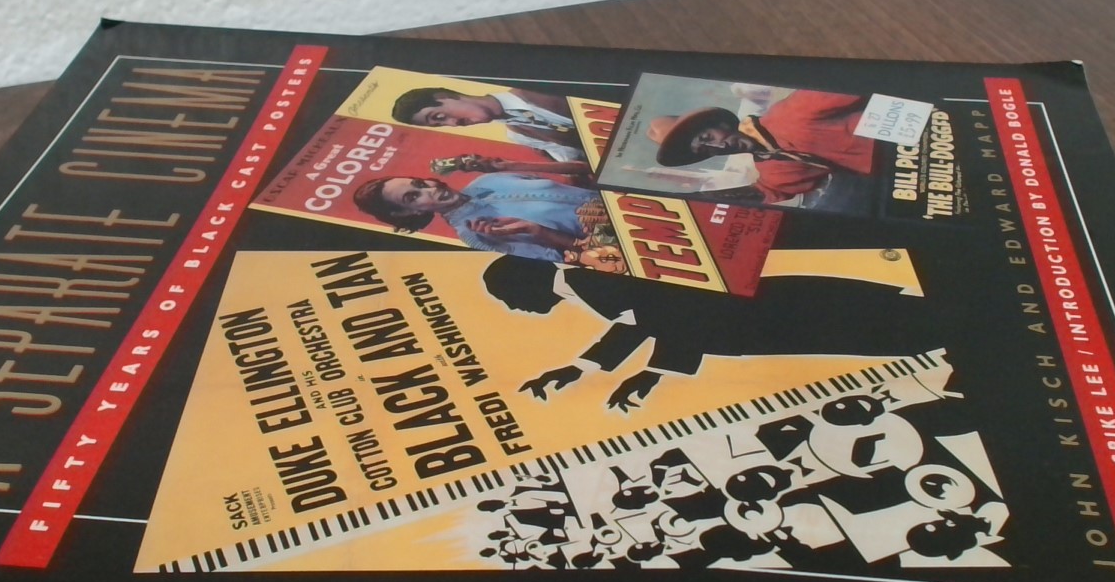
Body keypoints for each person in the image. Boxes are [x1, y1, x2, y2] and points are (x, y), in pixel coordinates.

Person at [481, 255, 941, 411]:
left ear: (526, 282)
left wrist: (654, 373)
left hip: (758, 316)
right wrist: (580, 369)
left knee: (883, 329)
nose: (514, 308)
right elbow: (640, 321)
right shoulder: (585, 283)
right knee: (878, 330)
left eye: (508, 298)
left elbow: (676, 312)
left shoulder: (588, 280)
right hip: (754, 318)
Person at [646, 88, 876, 206]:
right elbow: (767, 192)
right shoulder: (771, 166)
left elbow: (855, 83)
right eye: (706, 150)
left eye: (708, 136)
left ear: (720, 123)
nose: (719, 145)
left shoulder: (794, 112)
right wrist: (699, 200)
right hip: (890, 179)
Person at [352, 171, 599, 262]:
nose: (430, 189)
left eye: (420, 183)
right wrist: (538, 232)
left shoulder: (489, 179)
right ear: (409, 212)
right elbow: (576, 260)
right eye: (413, 197)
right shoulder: (475, 235)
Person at [392, 85, 584, 161]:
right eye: (441, 125)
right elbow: (577, 161)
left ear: (444, 96)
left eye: (439, 117)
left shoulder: (534, 87)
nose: (454, 124)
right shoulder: (518, 135)